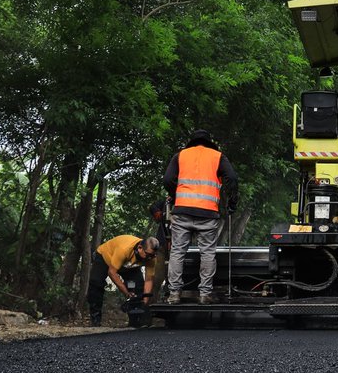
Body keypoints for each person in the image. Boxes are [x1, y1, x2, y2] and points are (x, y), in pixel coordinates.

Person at [162, 129, 238, 305]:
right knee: (207, 253)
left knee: (177, 252)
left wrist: (174, 195)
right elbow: (232, 179)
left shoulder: (180, 156)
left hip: (182, 212)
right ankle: (204, 294)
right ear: (209, 142)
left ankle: (174, 294)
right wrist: (232, 202)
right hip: (207, 213)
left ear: (192, 142)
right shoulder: (218, 156)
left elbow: (167, 179)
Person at [87, 235, 159, 326]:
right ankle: (95, 320)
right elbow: (112, 272)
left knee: (138, 288)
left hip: (129, 265)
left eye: (153, 255)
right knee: (96, 284)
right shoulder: (124, 249)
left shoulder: (152, 257)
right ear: (140, 248)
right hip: (106, 258)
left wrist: (144, 302)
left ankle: (135, 322)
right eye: (148, 255)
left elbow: (149, 280)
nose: (150, 258)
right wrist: (126, 292)